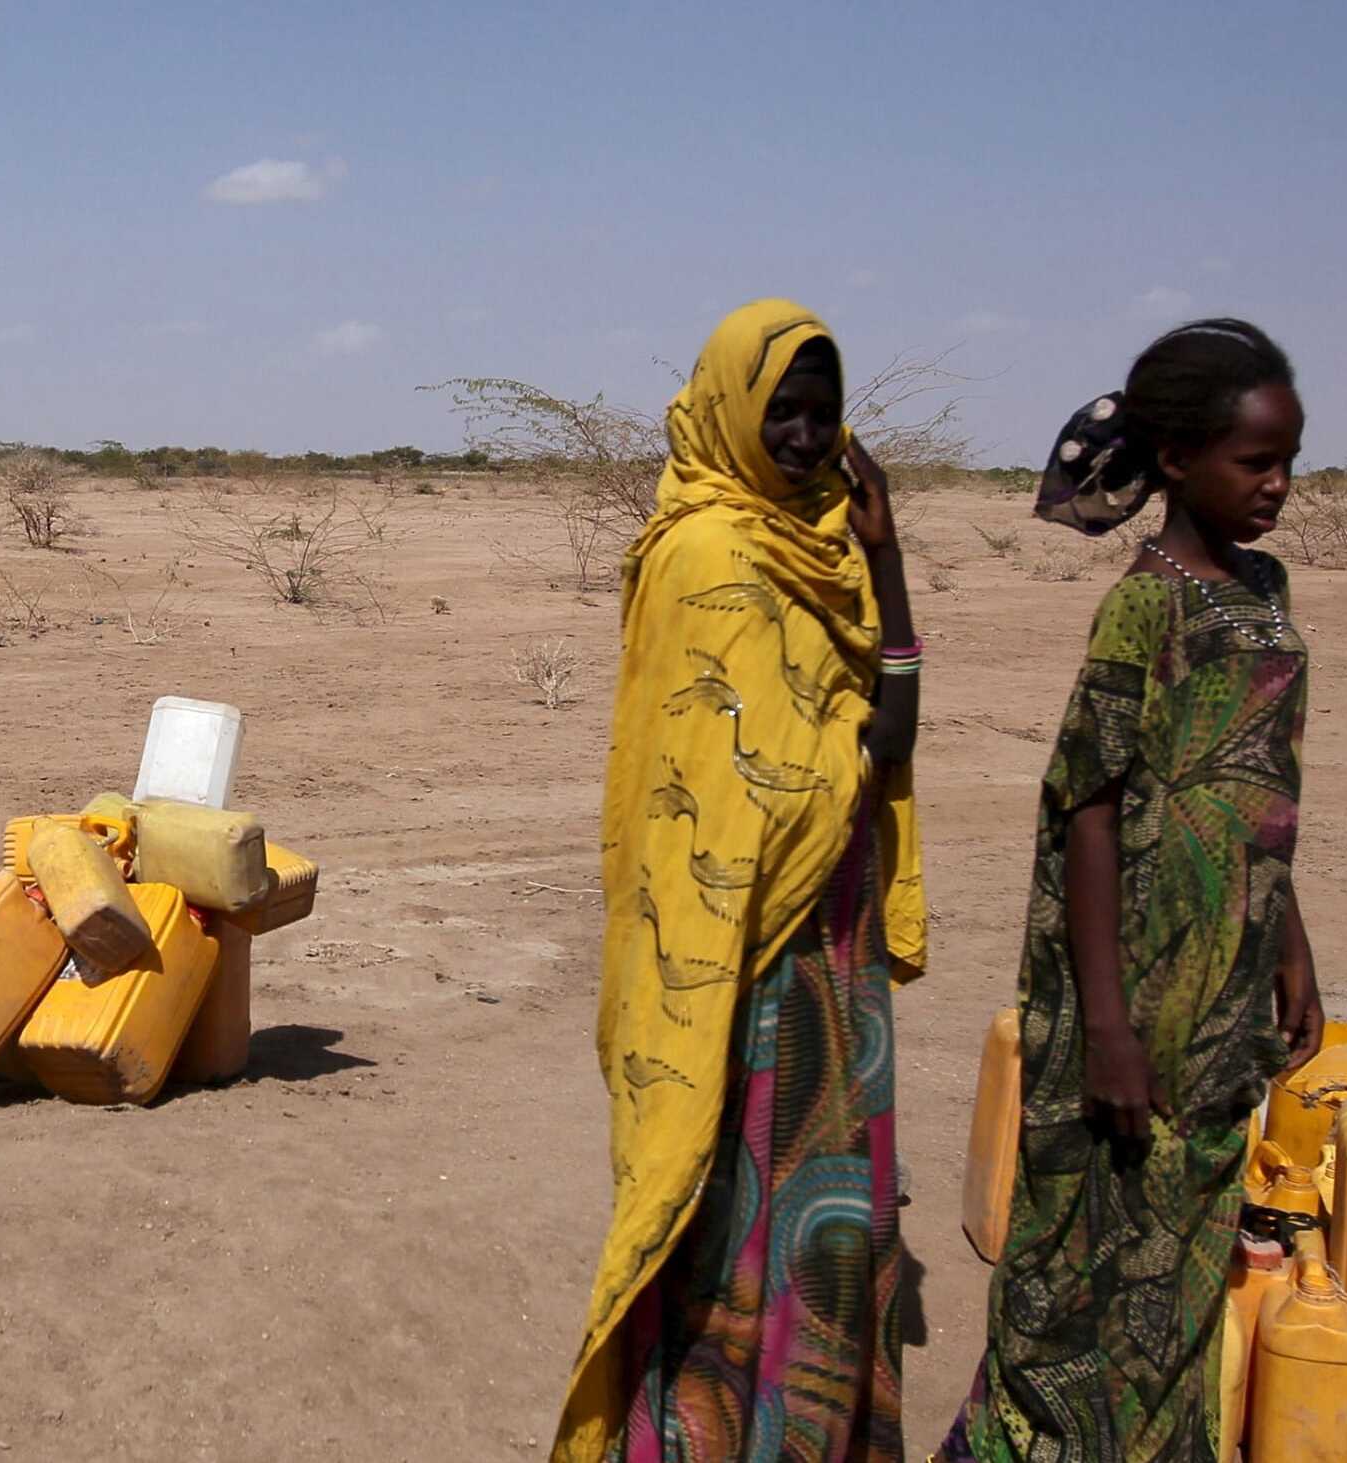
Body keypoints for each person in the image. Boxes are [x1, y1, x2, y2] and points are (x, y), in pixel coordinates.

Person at [550, 300, 930, 1463]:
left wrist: (885, 554)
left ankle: (806, 1429)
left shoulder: (825, 541)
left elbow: (891, 731)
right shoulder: (704, 551)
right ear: (731, 409)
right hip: (735, 945)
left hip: (830, 937)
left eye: (826, 412)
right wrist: (839, 760)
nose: (810, 437)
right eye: (784, 412)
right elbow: (720, 779)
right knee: (725, 1206)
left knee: (821, 1205)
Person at [939, 319, 1326, 1462]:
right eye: (1253, 462)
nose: (1275, 487)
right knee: (1079, 1252)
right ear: (1173, 462)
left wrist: (1291, 950)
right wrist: (1103, 1024)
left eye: (1286, 461)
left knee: (1184, 1245)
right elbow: (1086, 804)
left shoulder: (1263, 585)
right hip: (1132, 978)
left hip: (1222, 977)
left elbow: (1254, 788)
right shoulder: (1143, 607)